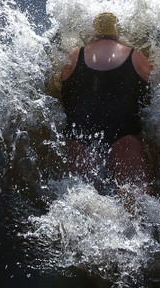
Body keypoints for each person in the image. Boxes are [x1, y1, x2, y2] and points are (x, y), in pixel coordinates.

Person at [60, 12, 153, 189]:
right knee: (137, 204)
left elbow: (60, 86)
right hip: (124, 135)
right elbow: (157, 88)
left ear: (95, 31)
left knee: (80, 199)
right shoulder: (136, 56)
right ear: (117, 31)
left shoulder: (74, 57)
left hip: (81, 135)